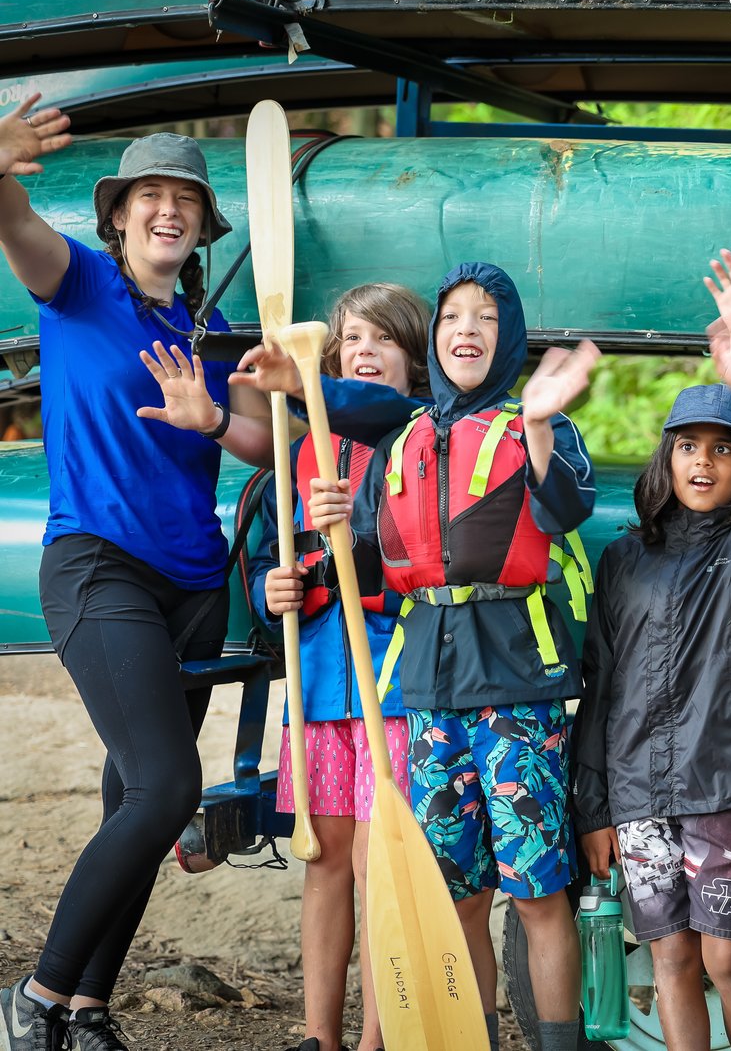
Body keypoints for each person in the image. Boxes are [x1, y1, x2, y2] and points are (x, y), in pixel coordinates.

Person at [0, 98, 276, 1051]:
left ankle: (85, 1011)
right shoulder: (77, 284)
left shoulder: (213, 326)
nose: (167, 211)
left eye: (185, 201)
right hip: (98, 571)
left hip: (195, 589)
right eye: (149, 196)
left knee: (138, 805)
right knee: (167, 789)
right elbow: (15, 225)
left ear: (203, 227)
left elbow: (255, 444)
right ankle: (35, 997)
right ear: (118, 216)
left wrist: (216, 419)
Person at [307, 263, 598, 1051]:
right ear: (434, 339)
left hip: (516, 690)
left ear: (509, 339)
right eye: (452, 317)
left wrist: (538, 423)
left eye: (487, 318)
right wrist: (327, 526)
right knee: (456, 897)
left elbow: (567, 504)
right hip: (430, 697)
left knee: (537, 895)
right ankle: (475, 1038)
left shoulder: (538, 426)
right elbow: (365, 571)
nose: (466, 329)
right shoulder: (402, 439)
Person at [571, 253, 731, 1051]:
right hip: (637, 788)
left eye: (724, 449)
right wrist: (596, 806)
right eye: (690, 446)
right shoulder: (623, 558)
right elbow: (602, 686)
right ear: (667, 457)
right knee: (672, 957)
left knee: (727, 956)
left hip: (722, 781)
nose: (704, 462)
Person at [246, 283, 431, 1051]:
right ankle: (319, 1036)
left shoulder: (421, 435)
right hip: (319, 687)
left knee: (378, 867)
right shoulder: (297, 456)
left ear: (413, 363)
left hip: (396, 683)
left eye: (384, 339)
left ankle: (376, 1040)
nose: (364, 350)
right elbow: (265, 561)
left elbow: (417, 552)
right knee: (324, 861)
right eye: (351, 338)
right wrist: (272, 588)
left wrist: (347, 539)